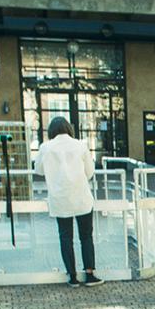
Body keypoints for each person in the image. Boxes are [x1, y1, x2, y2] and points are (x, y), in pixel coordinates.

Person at [34, 116, 103, 287]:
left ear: (51, 131)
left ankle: (72, 276)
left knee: (65, 237)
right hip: (81, 197)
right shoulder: (81, 145)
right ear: (69, 129)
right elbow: (90, 172)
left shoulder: (46, 147)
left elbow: (39, 170)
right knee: (86, 236)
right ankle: (90, 274)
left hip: (60, 198)